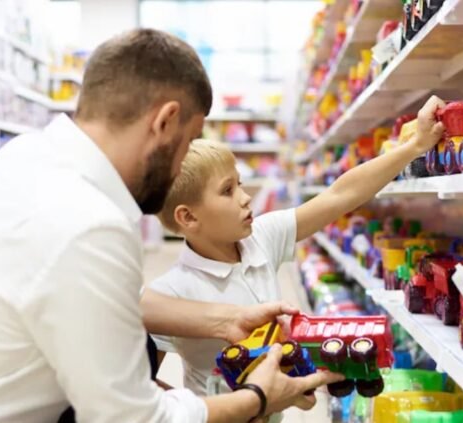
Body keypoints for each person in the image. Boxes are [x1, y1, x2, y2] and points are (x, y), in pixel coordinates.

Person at [0, 29, 342, 423]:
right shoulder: (88, 223)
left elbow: (92, 305)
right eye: (188, 141)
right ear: (165, 122)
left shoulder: (29, 158)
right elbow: (132, 420)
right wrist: (257, 397)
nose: (179, 173)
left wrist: (220, 321)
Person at [149, 96, 446, 398]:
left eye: (239, 183)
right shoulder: (168, 296)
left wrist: (414, 147)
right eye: (227, 190)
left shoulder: (261, 237)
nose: (245, 197)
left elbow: (340, 195)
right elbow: (140, 386)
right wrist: (199, 412)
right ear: (187, 216)